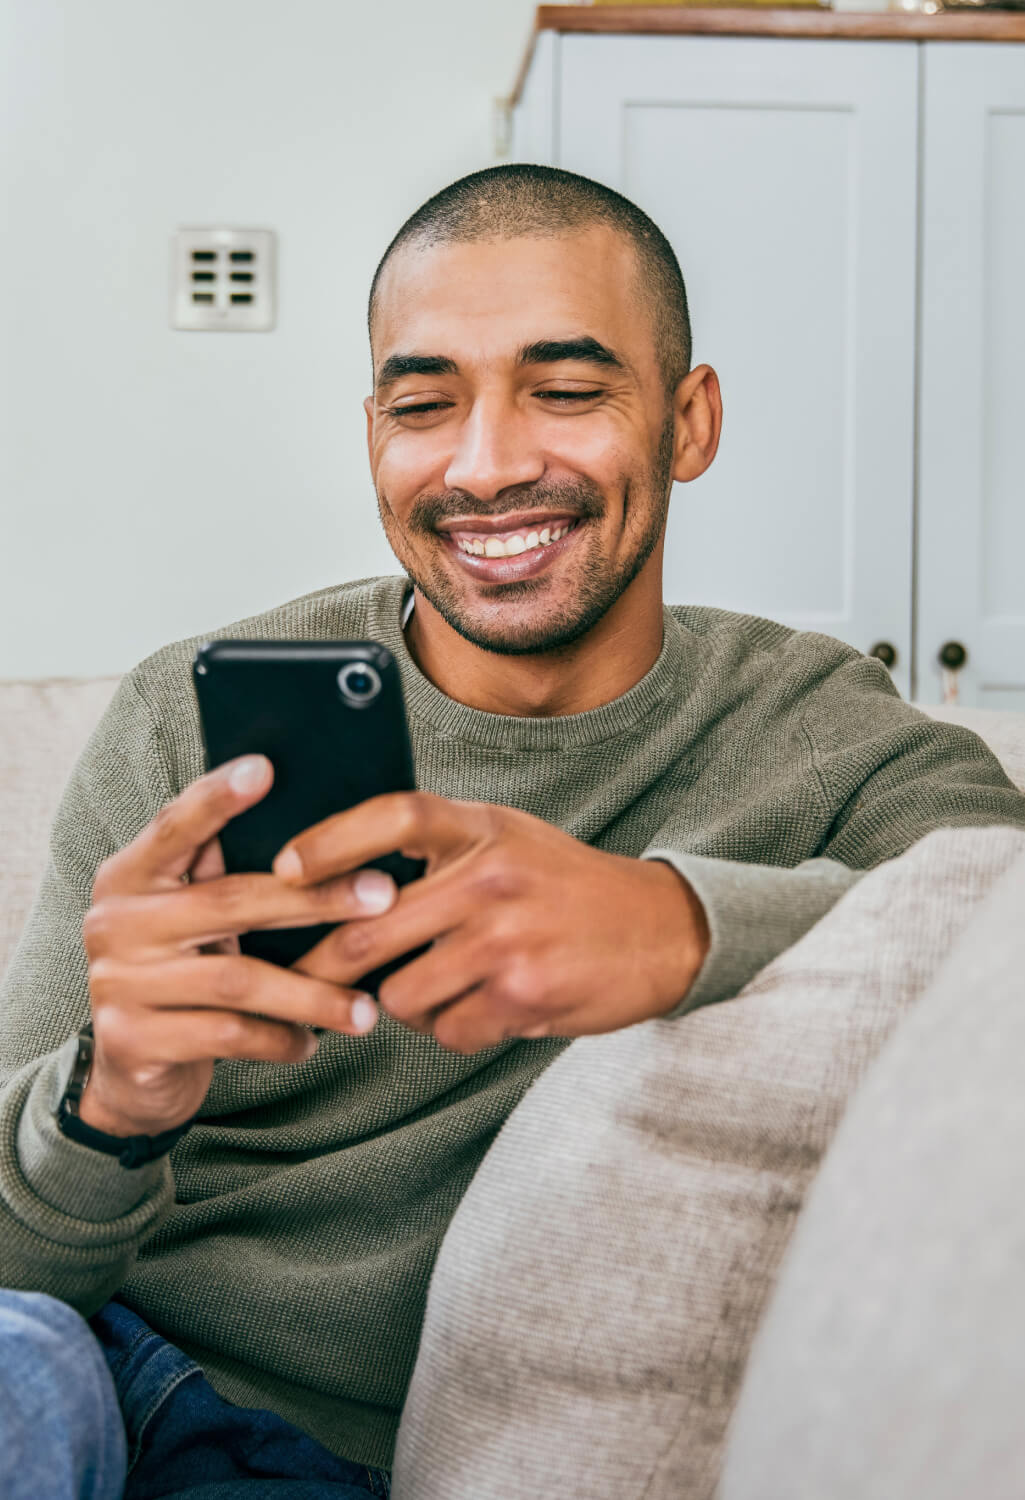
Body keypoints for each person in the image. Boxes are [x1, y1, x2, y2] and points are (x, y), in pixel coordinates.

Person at [1, 164, 1022, 1500]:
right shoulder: (181, 719)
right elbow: (22, 1278)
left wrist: (677, 925)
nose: (484, 467)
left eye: (566, 389)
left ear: (687, 418)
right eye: (424, 405)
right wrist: (113, 1101)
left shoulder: (809, 732)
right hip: (82, 1360)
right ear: (373, 432)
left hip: (308, 1451)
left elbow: (995, 914)